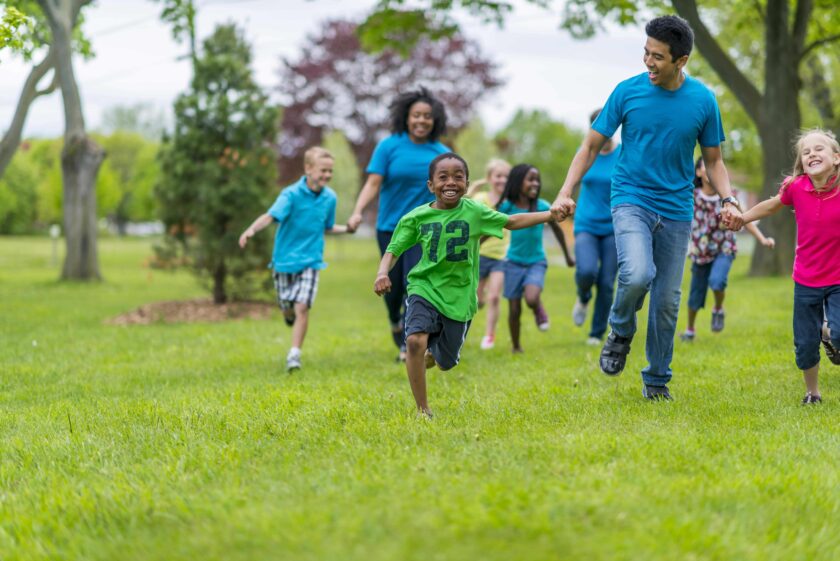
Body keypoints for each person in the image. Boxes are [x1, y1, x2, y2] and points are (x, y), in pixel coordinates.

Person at [550, 15, 742, 400]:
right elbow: (590, 146)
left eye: (657, 56)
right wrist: (565, 191)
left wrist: (729, 199)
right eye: (646, 52)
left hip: (676, 207)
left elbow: (714, 161)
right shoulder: (627, 92)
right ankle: (620, 329)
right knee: (637, 274)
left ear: (681, 61)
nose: (648, 62)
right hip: (631, 198)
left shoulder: (703, 100)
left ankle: (656, 380)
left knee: (667, 300)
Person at [374, 153, 565, 417]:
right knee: (415, 342)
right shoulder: (416, 217)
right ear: (430, 185)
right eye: (443, 177)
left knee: (446, 362)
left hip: (460, 296)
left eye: (458, 177)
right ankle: (422, 410)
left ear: (466, 183)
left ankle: (436, 354)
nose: (450, 182)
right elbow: (393, 249)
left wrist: (549, 215)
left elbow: (511, 221)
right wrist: (382, 273)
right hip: (424, 287)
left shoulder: (475, 212)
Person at [735, 129, 840, 404]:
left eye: (819, 149)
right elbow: (771, 206)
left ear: (836, 157)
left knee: (839, 333)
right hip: (806, 278)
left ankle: (828, 333)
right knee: (804, 343)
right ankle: (812, 393)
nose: (812, 154)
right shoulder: (796, 187)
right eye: (806, 152)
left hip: (838, 278)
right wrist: (743, 218)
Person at [348, 87, 450, 363]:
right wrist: (357, 211)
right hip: (390, 228)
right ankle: (394, 318)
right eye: (416, 115)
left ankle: (408, 343)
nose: (421, 120)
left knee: (413, 284)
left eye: (427, 116)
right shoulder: (389, 146)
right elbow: (373, 183)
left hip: (425, 232)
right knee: (391, 287)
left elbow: (450, 190)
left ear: (435, 120)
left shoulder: (441, 153)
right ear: (406, 117)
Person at [239, 147, 353, 372]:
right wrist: (252, 229)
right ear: (308, 168)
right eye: (323, 170)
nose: (327, 175)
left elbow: (327, 227)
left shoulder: (330, 198)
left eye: (330, 171)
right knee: (287, 307)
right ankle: (286, 313)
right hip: (284, 261)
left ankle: (294, 354)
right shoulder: (290, 195)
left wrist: (347, 229)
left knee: (302, 307)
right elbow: (270, 216)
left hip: (311, 261)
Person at [679, 157, 775, 342]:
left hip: (724, 248)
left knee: (717, 281)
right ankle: (690, 330)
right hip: (700, 251)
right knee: (695, 295)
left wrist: (762, 239)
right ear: (698, 172)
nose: (710, 169)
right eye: (704, 166)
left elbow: (745, 219)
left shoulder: (729, 198)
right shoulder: (691, 195)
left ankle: (718, 308)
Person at [498, 163, 574, 354]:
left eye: (537, 180)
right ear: (517, 182)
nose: (535, 184)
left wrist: (567, 256)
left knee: (531, 298)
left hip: (536, 262)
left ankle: (537, 305)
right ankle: (516, 346)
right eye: (530, 179)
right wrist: (475, 247)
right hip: (513, 262)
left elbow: (558, 232)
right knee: (514, 309)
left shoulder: (543, 206)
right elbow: (488, 227)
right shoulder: (506, 207)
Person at [570, 108, 621, 346]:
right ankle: (583, 298)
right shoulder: (585, 151)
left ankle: (596, 332)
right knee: (586, 271)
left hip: (614, 226)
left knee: (607, 282)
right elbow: (572, 181)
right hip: (586, 224)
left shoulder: (623, 153)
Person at [467, 158, 512, 350]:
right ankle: (480, 297)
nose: (502, 180)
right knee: (475, 299)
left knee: (494, 297)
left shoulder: (510, 202)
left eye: (506, 176)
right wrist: (473, 188)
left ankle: (489, 335)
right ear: (489, 178)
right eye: (498, 176)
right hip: (479, 254)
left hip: (501, 256)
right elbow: (461, 206)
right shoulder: (481, 198)